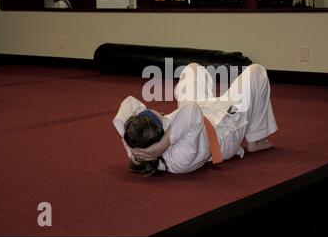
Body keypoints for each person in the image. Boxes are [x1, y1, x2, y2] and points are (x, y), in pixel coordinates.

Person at [113, 63, 278, 176]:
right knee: (257, 71)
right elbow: (191, 111)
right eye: (153, 114)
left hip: (197, 119)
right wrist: (163, 145)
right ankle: (257, 138)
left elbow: (129, 102)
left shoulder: (142, 142)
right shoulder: (179, 159)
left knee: (192, 69)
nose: (150, 109)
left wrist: (127, 142)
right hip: (224, 128)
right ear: (160, 130)